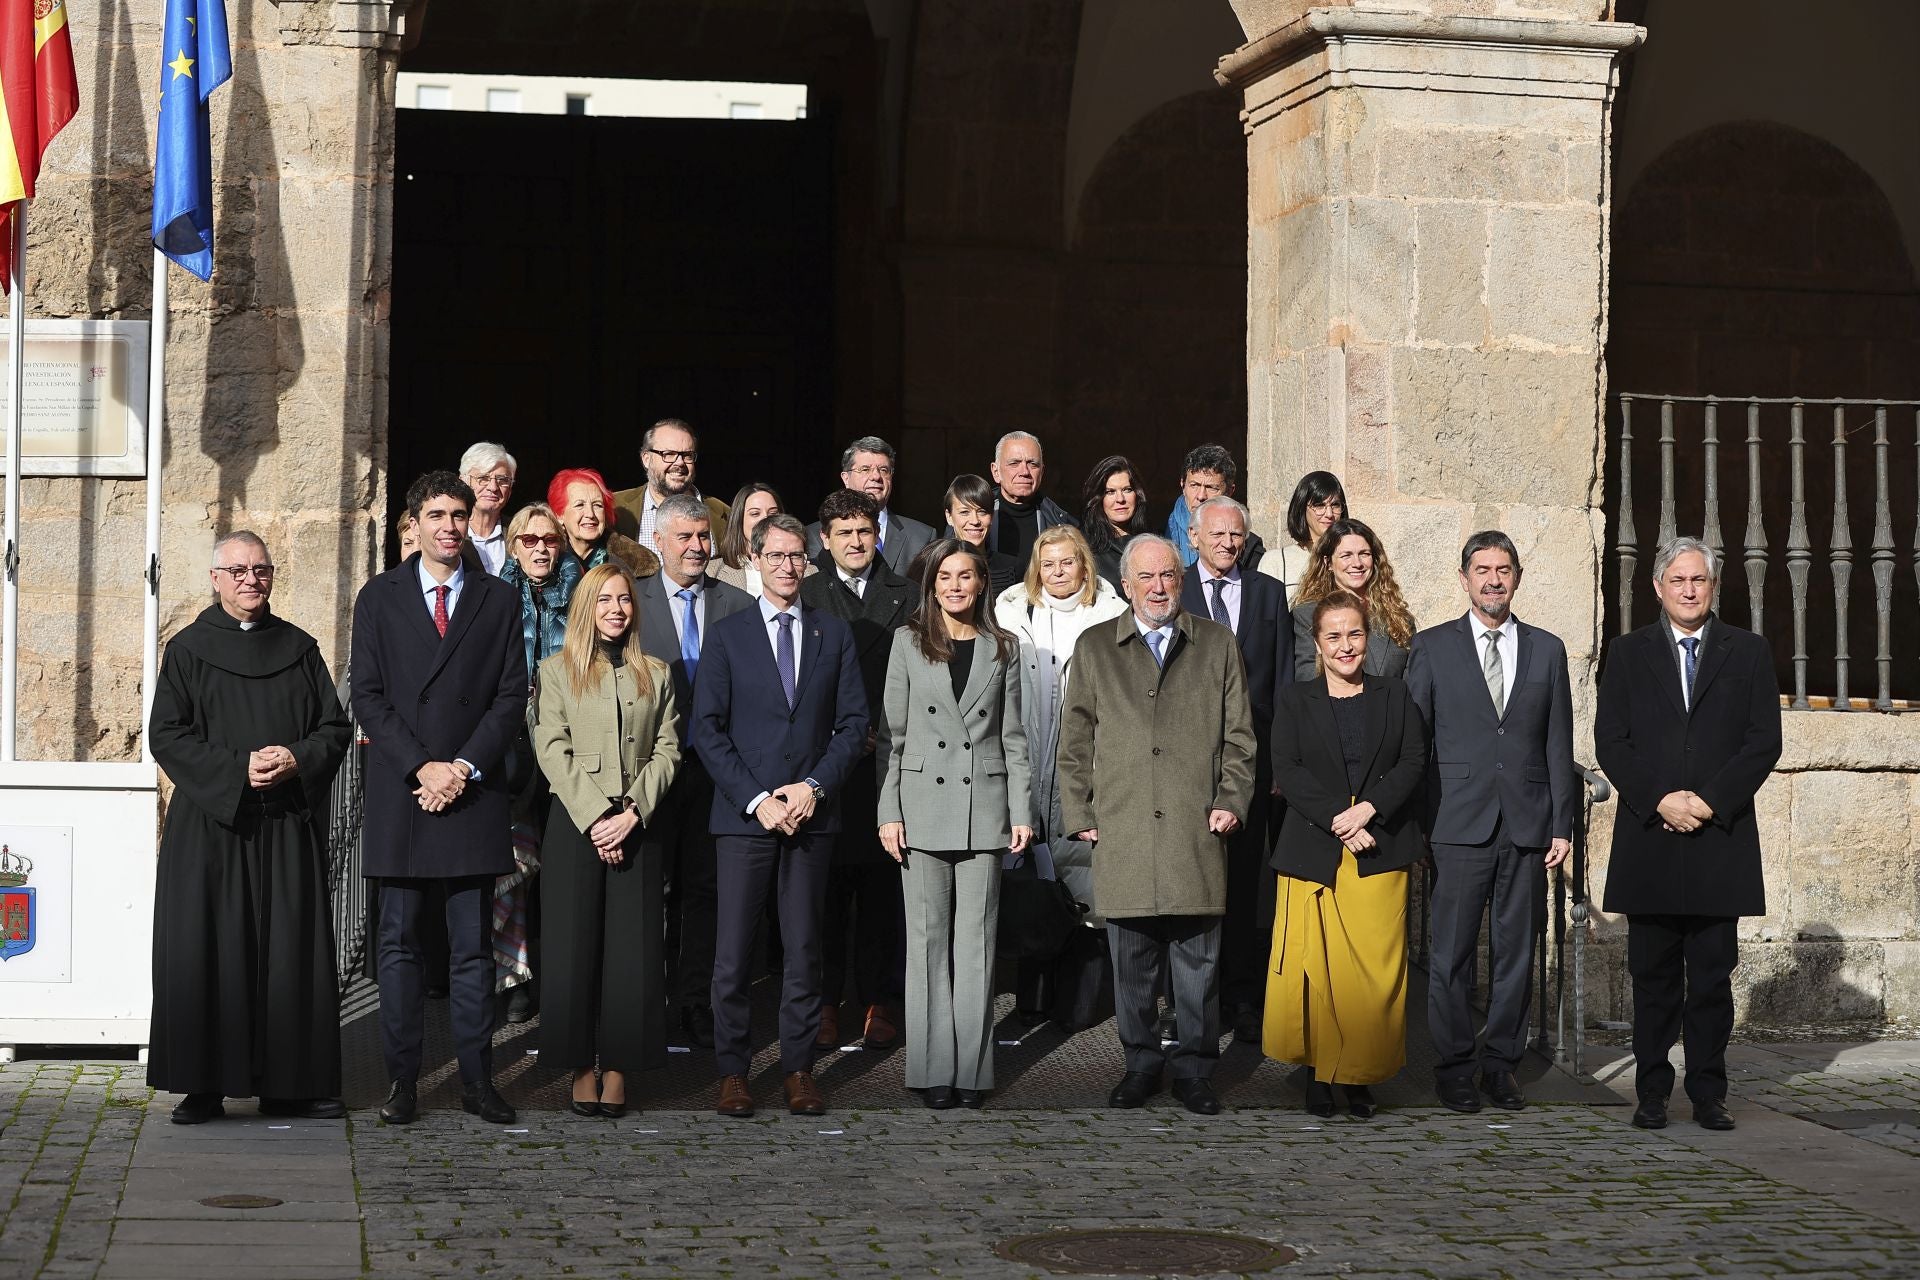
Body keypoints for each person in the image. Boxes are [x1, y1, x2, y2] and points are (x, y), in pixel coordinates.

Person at [147, 532, 353, 1125]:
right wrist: (238, 768)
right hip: (213, 825)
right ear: (214, 577)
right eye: (236, 570)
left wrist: (295, 758)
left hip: (285, 821)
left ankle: (293, 1084)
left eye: (260, 569)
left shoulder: (299, 647)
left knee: (289, 952)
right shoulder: (187, 650)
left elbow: (332, 731)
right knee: (207, 948)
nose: (249, 580)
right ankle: (202, 1085)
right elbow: (169, 734)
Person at [1057, 534, 1256, 1116]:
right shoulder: (1095, 647)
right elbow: (1074, 741)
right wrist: (1079, 813)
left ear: (1183, 578)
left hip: (1197, 828)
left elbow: (1241, 738)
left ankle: (1195, 1070)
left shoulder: (1217, 645)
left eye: (1168, 575)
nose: (1159, 587)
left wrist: (1232, 800)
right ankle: (1140, 1064)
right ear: (1127, 585)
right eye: (1147, 577)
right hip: (1123, 827)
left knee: (1198, 965)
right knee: (1134, 964)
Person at [352, 471, 528, 1126]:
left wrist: (460, 766)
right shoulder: (379, 598)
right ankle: (403, 1083)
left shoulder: (498, 600)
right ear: (414, 524)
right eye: (436, 515)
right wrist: (423, 768)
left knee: (470, 946)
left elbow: (511, 696)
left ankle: (479, 1081)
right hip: (405, 791)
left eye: (459, 514)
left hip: (470, 791)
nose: (449, 526)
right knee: (398, 944)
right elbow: (368, 694)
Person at [1595, 536, 1782, 1133]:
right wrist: (1660, 799)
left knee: (1709, 981)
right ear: (1658, 587)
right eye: (1677, 580)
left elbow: (1763, 741)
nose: (1688, 589)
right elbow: (1612, 743)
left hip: (1716, 841)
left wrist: (1708, 800)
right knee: (1651, 980)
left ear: (1712, 586)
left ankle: (1708, 1093)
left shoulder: (1747, 652)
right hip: (1650, 839)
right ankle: (1651, 1092)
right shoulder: (1626, 654)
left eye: (1698, 580)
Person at [690, 513, 869, 1119]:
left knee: (804, 948)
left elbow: (851, 727)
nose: (788, 567)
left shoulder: (834, 635)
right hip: (745, 819)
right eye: (777, 556)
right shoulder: (728, 634)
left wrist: (812, 788)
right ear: (756, 560)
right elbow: (706, 731)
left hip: (812, 816)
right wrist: (759, 799)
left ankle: (797, 1069)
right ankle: (734, 1072)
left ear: (808, 562)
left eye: (798, 557)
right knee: (735, 953)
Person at [1406, 531, 1576, 1114]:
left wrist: (1562, 824)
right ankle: (1453, 1065)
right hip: (1455, 824)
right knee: (1449, 954)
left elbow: (1558, 744)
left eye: (1503, 569)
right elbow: (1415, 745)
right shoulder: (1431, 648)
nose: (1493, 580)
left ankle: (1501, 1064)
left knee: (1515, 954)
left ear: (1518, 578)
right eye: (1482, 569)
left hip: (1527, 827)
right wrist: (1419, 828)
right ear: (1464, 578)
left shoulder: (1548, 651)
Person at [878, 539, 1033, 1108]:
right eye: (945, 576)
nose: (955, 586)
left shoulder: (1004, 648)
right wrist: (888, 811)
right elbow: (892, 739)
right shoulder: (906, 643)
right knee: (926, 942)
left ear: (981, 583)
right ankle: (931, 1069)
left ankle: (972, 1072)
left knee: (977, 945)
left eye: (965, 576)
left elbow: (1013, 738)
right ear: (931, 584)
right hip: (920, 807)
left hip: (985, 810)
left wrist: (1023, 811)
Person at [1266, 590, 1428, 1118]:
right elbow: (1287, 769)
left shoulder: (1394, 694)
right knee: (1315, 970)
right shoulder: (1295, 698)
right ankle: (1318, 1074)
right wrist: (1341, 815)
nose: (1345, 646)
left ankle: (1359, 1078)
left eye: (1354, 634)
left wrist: (1369, 810)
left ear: (1368, 637)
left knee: (1373, 973)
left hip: (1379, 848)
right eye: (1333, 635)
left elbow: (1412, 759)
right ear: (1317, 642)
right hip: (1315, 848)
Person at [534, 563, 682, 1117]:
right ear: (585, 610)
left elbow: (670, 750)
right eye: (604, 601)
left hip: (638, 825)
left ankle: (618, 1066)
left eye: (624, 600)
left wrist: (633, 812)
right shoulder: (556, 672)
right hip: (576, 825)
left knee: (633, 951)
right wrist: (598, 816)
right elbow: (550, 748)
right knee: (572, 949)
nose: (617, 609)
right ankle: (578, 1066)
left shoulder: (658, 673)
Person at [635, 492, 756, 1049]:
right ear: (658, 541)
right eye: (684, 537)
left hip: (715, 774)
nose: (697, 547)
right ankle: (643, 999)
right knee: (648, 888)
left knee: (704, 891)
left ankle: (694, 1000)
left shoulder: (734, 604)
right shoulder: (631, 603)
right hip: (649, 771)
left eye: (703, 537)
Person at [800, 489, 918, 1052]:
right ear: (823, 539)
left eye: (864, 531)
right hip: (823, 761)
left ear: (878, 534)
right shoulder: (805, 592)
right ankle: (823, 1001)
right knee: (822, 889)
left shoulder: (908, 593)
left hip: (887, 757)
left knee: (880, 888)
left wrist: (879, 732)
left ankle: (879, 998)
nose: (854, 541)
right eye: (843, 533)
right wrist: (843, 737)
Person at [994, 524, 1126, 1018]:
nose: (1057, 573)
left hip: (1084, 759)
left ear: (1084, 565)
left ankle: (1082, 1000)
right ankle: (1034, 996)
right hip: (1028, 754)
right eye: (1047, 564)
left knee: (1082, 870)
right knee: (1030, 868)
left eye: (1066, 562)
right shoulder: (1012, 610)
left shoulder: (1111, 613)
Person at [1180, 496, 1292, 1045]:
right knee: (1195, 882)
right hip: (1187, 761)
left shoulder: (1269, 595)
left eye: (1236, 536)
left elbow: (1285, 688)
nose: (1227, 544)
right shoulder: (1170, 590)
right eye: (1217, 534)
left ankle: (1243, 996)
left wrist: (1280, 764)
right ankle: (1194, 1001)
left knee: (1247, 883)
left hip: (1256, 759)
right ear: (1194, 536)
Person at [494, 502, 583, 1023]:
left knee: (563, 867)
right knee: (513, 867)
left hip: (569, 744)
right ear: (513, 546)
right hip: (510, 748)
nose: (540, 549)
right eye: (528, 540)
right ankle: (514, 981)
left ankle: (564, 976)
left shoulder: (583, 595)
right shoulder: (490, 598)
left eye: (549, 539)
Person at [1290, 518, 1414, 680]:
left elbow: (1410, 680)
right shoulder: (1306, 615)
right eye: (1346, 555)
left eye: (1364, 554)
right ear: (1328, 563)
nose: (1357, 563)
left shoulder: (1398, 618)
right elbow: (1307, 678)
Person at [803, 436, 936, 576]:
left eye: (884, 470)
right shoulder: (812, 535)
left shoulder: (921, 537)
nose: (876, 476)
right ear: (846, 478)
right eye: (865, 469)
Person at [612, 417, 732, 550]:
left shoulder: (723, 513)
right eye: (668, 454)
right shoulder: (614, 508)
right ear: (646, 459)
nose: (680, 462)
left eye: (687, 455)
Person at [1166, 444, 1271, 573]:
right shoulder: (1160, 535)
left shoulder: (1248, 549)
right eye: (1194, 485)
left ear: (1229, 491)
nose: (1201, 496)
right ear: (1182, 485)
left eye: (1212, 488)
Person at [550, 467, 660, 580]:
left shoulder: (637, 563)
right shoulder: (546, 559)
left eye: (597, 505)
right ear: (559, 515)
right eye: (580, 505)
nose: (590, 514)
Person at [988, 430, 1076, 566]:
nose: (1024, 472)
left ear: (1042, 472)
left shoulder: (1062, 523)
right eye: (1014, 463)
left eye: (1032, 464)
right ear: (996, 472)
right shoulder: (971, 520)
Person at [713, 482, 817, 595]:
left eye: (772, 513)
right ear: (739, 520)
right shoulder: (712, 571)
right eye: (755, 514)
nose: (765, 519)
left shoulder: (810, 573)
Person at [1260, 471, 1348, 598]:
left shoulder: (1354, 559)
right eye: (1319, 505)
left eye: (1335, 505)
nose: (1329, 514)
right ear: (1302, 508)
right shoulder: (1275, 562)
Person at [940, 474, 1022, 597]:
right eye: (964, 512)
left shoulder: (1014, 568)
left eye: (982, 512)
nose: (975, 521)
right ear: (949, 517)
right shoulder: (932, 564)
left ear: (992, 516)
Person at [1080, 456, 1149, 594]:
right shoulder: (1083, 547)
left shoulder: (1152, 540)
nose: (1120, 499)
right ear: (1098, 498)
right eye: (1110, 492)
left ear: (1137, 494)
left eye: (1127, 490)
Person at [460, 442, 518, 575]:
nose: (493, 487)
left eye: (502, 480)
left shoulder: (520, 533)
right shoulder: (449, 533)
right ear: (463, 482)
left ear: (510, 489)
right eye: (483, 478)